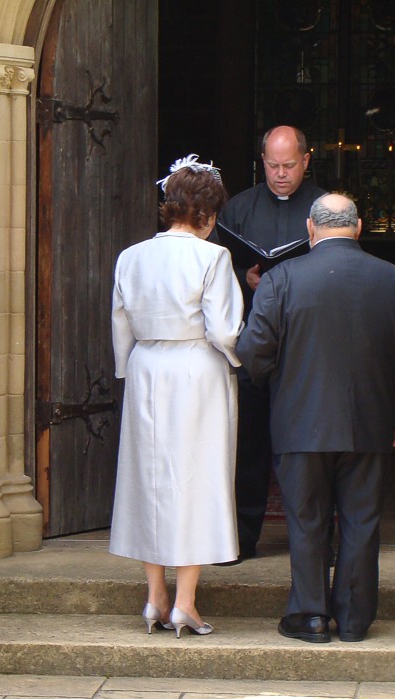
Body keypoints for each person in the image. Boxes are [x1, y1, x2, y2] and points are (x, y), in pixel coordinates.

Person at [237, 192, 395, 643]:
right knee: (362, 521)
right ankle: (355, 619)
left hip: (300, 421)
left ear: (310, 228)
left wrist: (275, 386)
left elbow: (253, 352)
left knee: (307, 520)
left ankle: (310, 616)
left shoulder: (282, 279)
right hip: (370, 424)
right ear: (358, 228)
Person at [110, 155, 244, 637]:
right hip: (196, 369)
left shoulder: (131, 256)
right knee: (195, 478)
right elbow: (224, 330)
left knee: (148, 478)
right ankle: (185, 601)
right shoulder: (213, 257)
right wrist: (241, 358)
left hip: (147, 366)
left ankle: (155, 597)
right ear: (207, 213)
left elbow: (121, 323)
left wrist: (127, 367)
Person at [216, 125, 326, 563]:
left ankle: (314, 545)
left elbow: (341, 266)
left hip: (307, 348)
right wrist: (243, 276)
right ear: (262, 162)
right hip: (253, 347)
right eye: (273, 165)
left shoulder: (325, 208)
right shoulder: (238, 208)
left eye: (289, 165)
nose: (281, 174)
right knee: (248, 447)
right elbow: (215, 272)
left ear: (306, 161)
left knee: (309, 452)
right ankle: (241, 539)